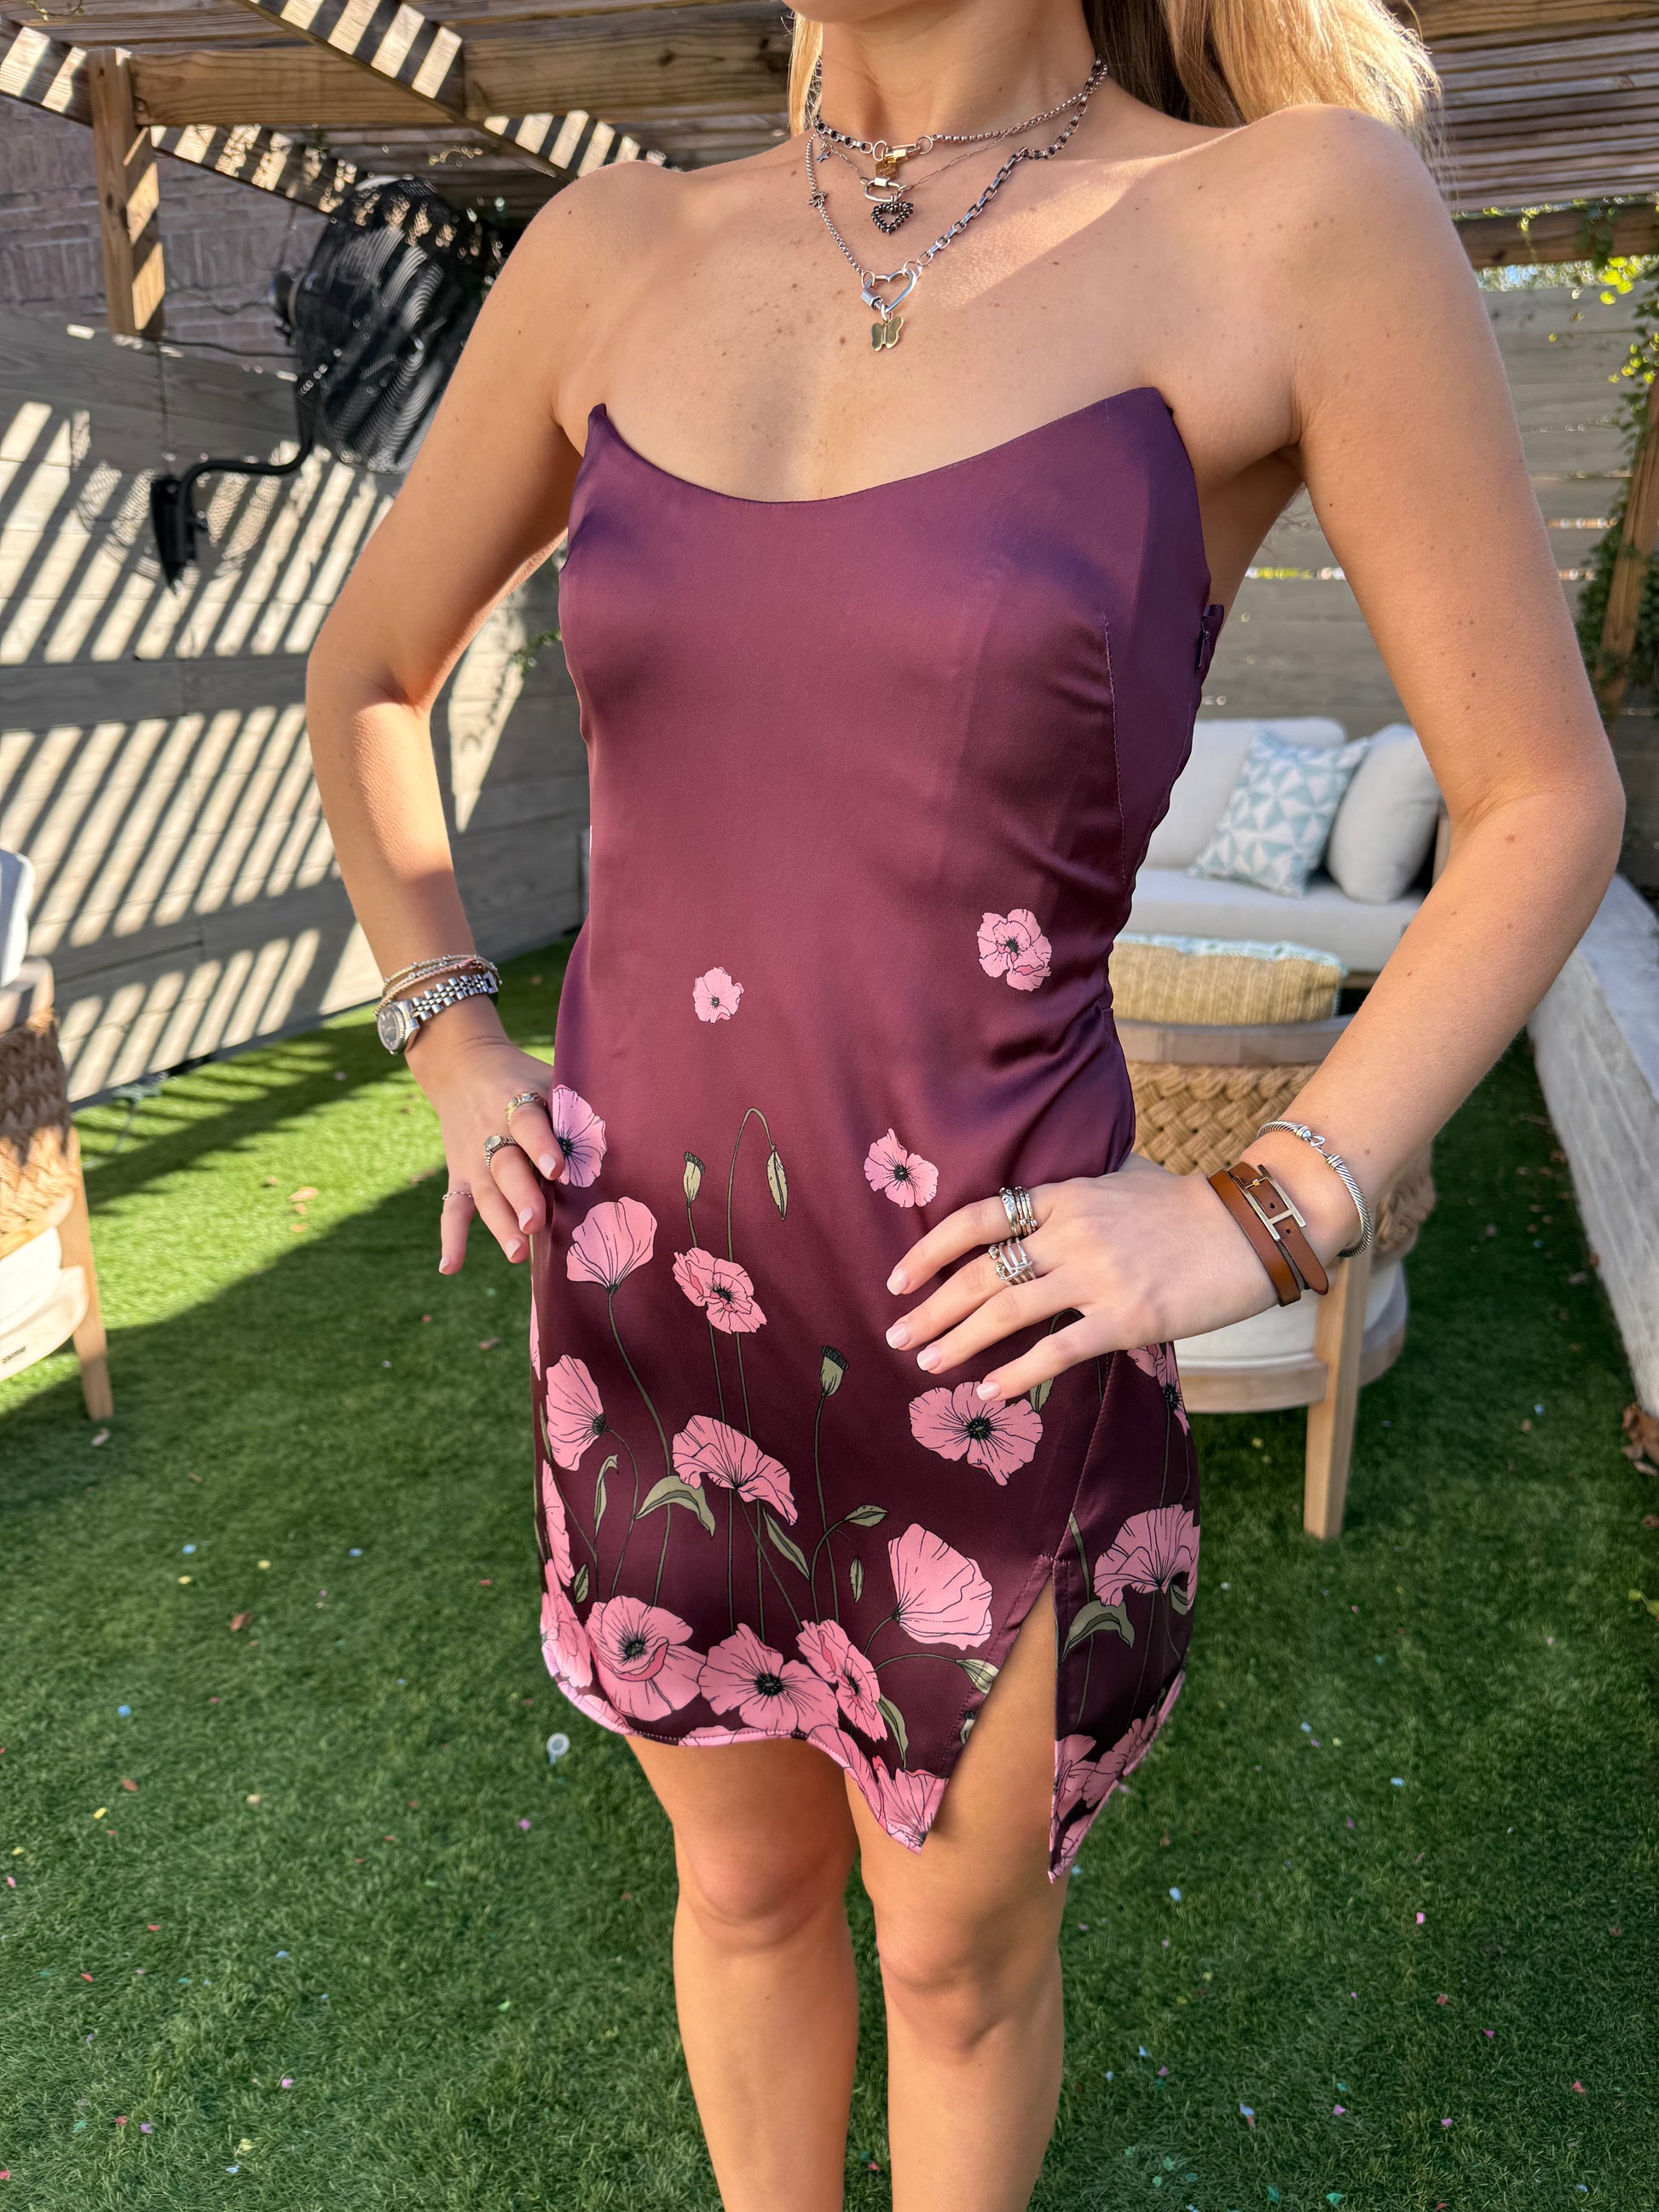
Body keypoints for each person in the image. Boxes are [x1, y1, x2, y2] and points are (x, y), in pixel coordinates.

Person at [304, 1, 1622, 2203]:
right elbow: (367, 667)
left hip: (982, 1327)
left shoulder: (1287, 220)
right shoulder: (612, 252)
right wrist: (451, 1032)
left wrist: (1266, 1206)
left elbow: (1539, 796)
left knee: (955, 1957)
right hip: (644, 1307)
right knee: (738, 1887)